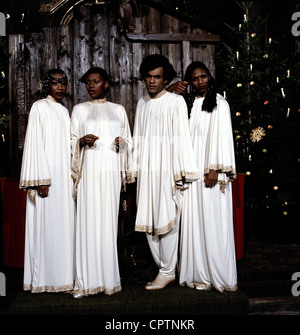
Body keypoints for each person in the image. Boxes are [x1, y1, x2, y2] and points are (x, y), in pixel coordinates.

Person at [132, 54, 199, 290]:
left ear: (165, 79)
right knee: (148, 220)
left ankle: (168, 270)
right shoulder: (142, 103)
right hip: (147, 171)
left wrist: (181, 172)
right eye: (148, 77)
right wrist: (134, 168)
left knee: (167, 218)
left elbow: (182, 137)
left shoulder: (175, 102)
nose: (151, 81)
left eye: (157, 77)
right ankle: (165, 268)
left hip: (167, 170)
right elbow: (137, 138)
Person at [71, 67, 134, 297]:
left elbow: (129, 139)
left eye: (95, 82)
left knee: (107, 223)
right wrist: (80, 141)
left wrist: (122, 143)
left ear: (105, 84)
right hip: (89, 173)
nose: (91, 86)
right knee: (88, 222)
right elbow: (69, 140)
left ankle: (108, 281)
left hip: (110, 174)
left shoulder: (118, 110)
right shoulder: (79, 110)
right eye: (87, 82)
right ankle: (86, 282)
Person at [174, 61, 238, 292]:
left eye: (203, 77)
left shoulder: (220, 103)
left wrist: (215, 168)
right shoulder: (190, 104)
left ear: (210, 77)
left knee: (213, 223)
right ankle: (198, 274)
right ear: (189, 82)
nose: (200, 82)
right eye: (194, 78)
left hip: (211, 174)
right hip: (193, 176)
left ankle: (219, 276)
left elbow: (223, 137)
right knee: (195, 223)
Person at [19, 69, 75, 293]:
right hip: (47, 180)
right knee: (46, 226)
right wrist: (41, 178)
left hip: (64, 179)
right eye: (55, 83)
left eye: (63, 82)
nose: (60, 87)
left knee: (63, 227)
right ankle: (44, 279)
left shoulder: (63, 111)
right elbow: (34, 143)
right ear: (47, 85)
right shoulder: (39, 107)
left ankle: (64, 277)